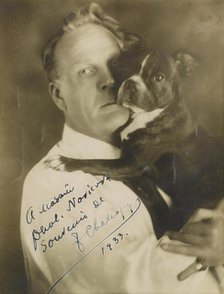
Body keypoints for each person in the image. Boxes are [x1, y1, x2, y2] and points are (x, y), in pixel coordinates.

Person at [20, 2, 224, 293]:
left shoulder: (155, 156)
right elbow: (141, 284)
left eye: (115, 65)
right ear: (58, 94)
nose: (109, 81)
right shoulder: (52, 184)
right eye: (86, 71)